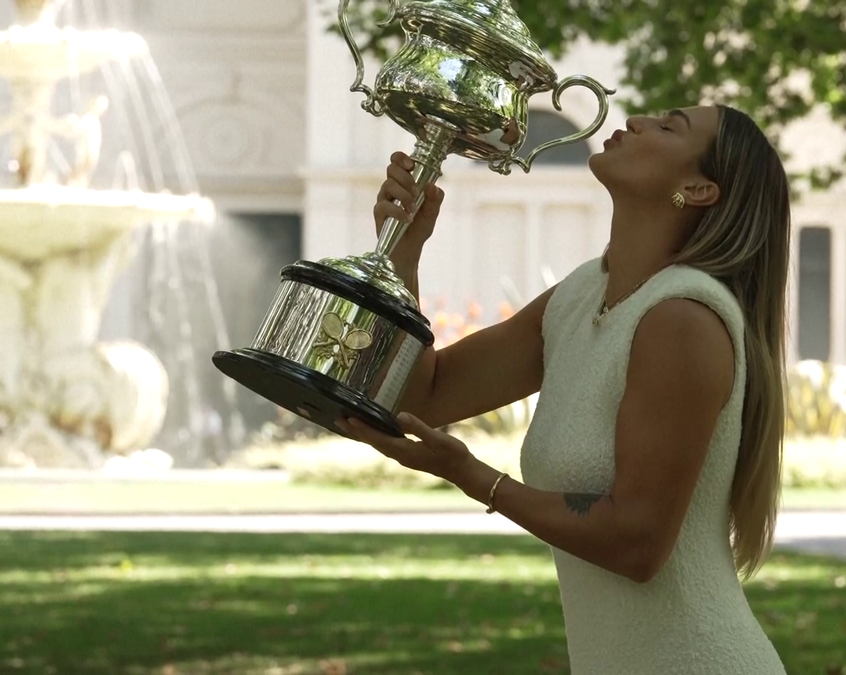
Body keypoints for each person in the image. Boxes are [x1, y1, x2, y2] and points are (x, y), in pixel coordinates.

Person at [336, 104, 790, 674]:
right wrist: (404, 248)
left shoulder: (681, 319)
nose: (640, 120)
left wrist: (474, 477)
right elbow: (426, 395)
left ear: (699, 189)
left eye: (669, 127)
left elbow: (637, 543)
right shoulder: (581, 296)